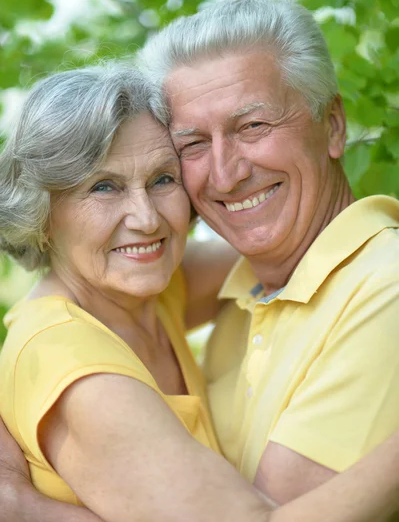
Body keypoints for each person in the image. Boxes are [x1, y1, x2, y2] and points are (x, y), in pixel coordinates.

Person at [1, 62, 399, 522]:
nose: (146, 219)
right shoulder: (78, 372)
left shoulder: (148, 293)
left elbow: (300, 244)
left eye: (162, 179)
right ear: (42, 211)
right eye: (103, 187)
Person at [137, 0, 399, 504]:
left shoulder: (386, 288)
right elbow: (71, 304)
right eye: (192, 144)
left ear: (334, 127)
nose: (226, 174)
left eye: (253, 127)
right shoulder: (249, 286)